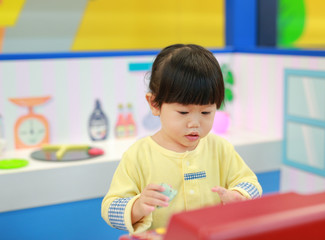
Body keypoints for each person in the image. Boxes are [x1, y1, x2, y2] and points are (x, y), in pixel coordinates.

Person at [101, 44, 262, 234]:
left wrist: (239, 195)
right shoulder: (139, 155)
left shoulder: (220, 148)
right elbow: (110, 209)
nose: (194, 123)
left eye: (206, 112)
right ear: (155, 104)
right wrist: (138, 206)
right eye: (183, 112)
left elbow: (251, 184)